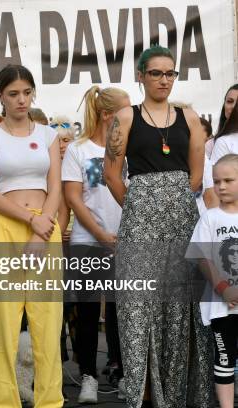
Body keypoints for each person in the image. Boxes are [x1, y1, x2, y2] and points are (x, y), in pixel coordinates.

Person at [104, 45, 213, 408]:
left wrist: (172, 200)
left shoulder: (190, 116)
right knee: (139, 306)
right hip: (140, 222)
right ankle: (145, 395)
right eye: (156, 73)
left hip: (182, 218)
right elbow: (111, 173)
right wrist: (140, 206)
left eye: (170, 73)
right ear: (141, 76)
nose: (164, 80)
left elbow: (196, 174)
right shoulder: (126, 116)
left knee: (182, 307)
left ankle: (179, 394)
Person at [0, 64, 64, 407]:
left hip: (46, 228)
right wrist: (30, 220)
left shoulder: (48, 135)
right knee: (3, 325)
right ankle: (5, 402)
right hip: (5, 228)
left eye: (27, 92)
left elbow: (55, 186)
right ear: (0, 96)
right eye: (13, 94)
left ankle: (50, 401)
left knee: (47, 323)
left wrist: (42, 228)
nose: (21, 100)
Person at [62, 85, 130, 403]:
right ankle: (88, 376)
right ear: (107, 114)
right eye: (125, 110)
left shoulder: (131, 147)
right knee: (88, 312)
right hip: (87, 240)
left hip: (126, 239)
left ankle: (125, 372)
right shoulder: (79, 149)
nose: (132, 116)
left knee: (123, 312)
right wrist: (101, 235)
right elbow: (74, 197)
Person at [186, 153, 238, 408]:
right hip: (221, 306)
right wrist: (223, 288)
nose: (221, 186)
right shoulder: (210, 217)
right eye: (217, 181)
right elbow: (200, 256)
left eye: (229, 180)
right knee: (224, 359)